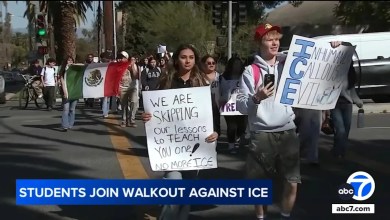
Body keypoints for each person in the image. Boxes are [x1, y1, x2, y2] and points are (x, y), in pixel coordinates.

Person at [141, 44, 218, 220]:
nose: (187, 60)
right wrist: (147, 116)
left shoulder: (202, 83)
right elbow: (154, 110)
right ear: (176, 60)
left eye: (191, 57)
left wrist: (216, 132)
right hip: (171, 150)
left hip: (195, 149)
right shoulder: (166, 82)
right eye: (183, 57)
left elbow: (213, 112)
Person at [330, 42, 363, 160]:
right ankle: (338, 153)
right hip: (335, 104)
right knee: (340, 129)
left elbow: (351, 89)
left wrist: (358, 101)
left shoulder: (350, 72)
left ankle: (340, 151)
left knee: (346, 129)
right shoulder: (332, 70)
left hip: (348, 104)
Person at [219, 56, 248, 154]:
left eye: (238, 64)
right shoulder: (223, 77)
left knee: (242, 126)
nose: (237, 66)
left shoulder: (245, 76)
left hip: (241, 104)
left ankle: (239, 139)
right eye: (234, 64)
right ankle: (231, 145)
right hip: (228, 105)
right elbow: (220, 91)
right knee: (231, 127)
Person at [201, 55, 221, 136]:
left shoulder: (220, 77)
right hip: (204, 106)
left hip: (217, 104)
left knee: (216, 125)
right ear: (203, 65)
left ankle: (216, 143)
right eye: (209, 63)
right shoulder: (199, 77)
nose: (211, 64)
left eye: (213, 63)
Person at [59, 56, 77, 132]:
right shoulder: (63, 70)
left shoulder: (76, 70)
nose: (70, 62)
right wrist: (65, 92)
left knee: (72, 109)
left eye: (71, 60)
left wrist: (75, 65)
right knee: (66, 109)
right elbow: (62, 82)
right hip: (66, 91)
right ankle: (65, 125)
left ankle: (70, 124)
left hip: (75, 92)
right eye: (68, 60)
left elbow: (83, 65)